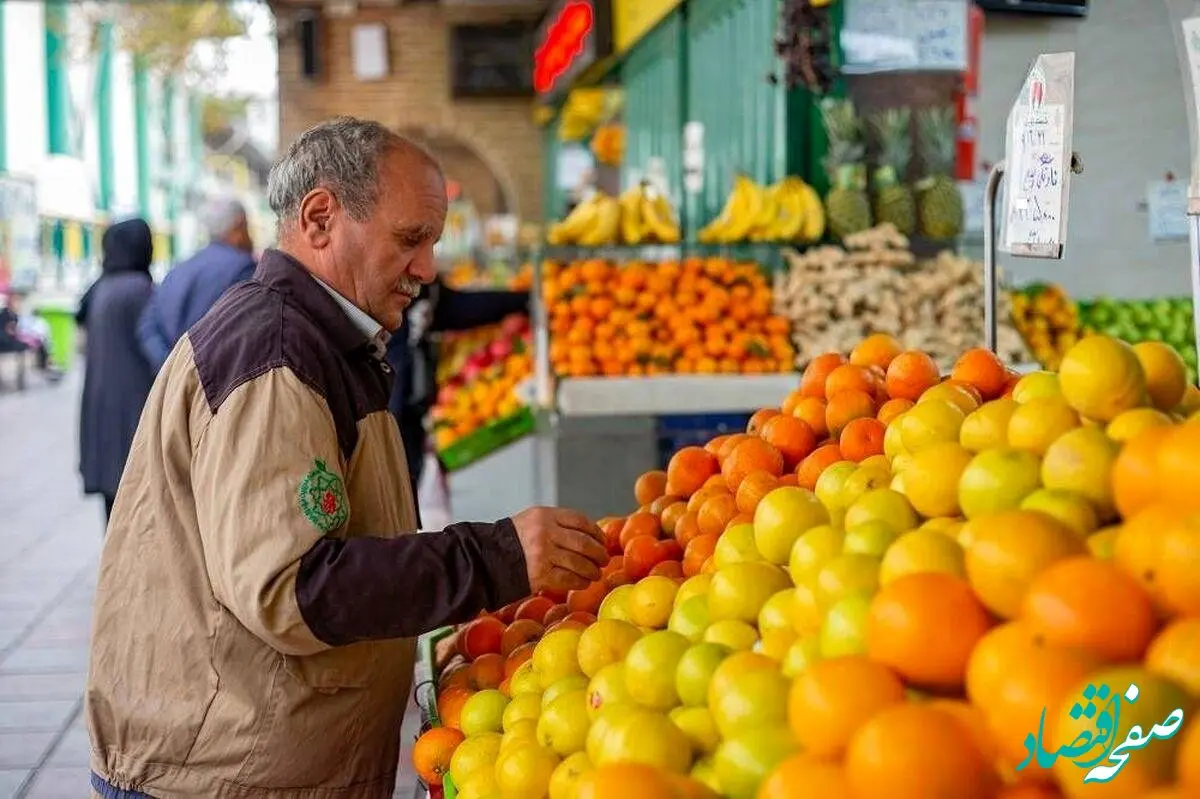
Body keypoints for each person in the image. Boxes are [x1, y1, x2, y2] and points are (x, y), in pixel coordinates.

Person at [86, 117, 607, 799]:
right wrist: (494, 556)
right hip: (220, 775)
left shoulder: (324, 338)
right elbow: (293, 585)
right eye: (410, 239)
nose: (427, 269)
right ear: (322, 217)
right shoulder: (275, 352)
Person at [386, 274, 529, 502]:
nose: (428, 267)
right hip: (390, 414)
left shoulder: (422, 285)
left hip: (407, 410)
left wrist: (521, 300)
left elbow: (450, 308)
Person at [76, 218, 156, 523]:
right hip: (132, 411)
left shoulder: (101, 288)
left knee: (112, 511)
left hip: (101, 410)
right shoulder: (139, 290)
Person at [136, 196, 257, 372]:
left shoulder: (179, 269)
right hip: (218, 388)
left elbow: (147, 326)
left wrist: (172, 369)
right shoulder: (244, 269)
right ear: (239, 227)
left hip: (177, 385)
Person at [0, 288, 62, 379]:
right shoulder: (5, 314)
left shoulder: (15, 315)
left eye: (18, 301)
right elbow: (7, 331)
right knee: (34, 342)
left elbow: (17, 330)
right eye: (16, 300)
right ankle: (47, 366)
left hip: (13, 340)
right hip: (6, 342)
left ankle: (48, 365)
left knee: (41, 340)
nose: (18, 304)